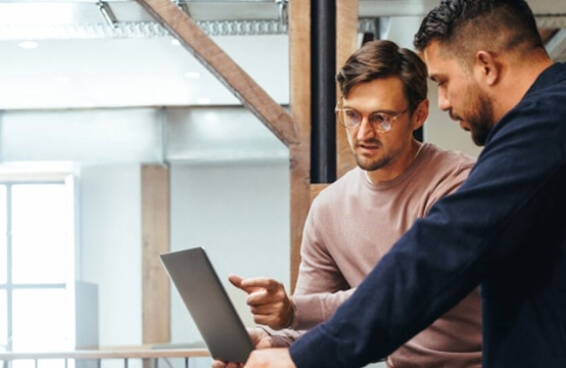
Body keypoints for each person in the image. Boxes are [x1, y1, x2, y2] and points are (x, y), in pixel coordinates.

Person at [243, 0, 566, 367]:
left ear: (486, 66)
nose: (443, 102)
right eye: (351, 115)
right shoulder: (548, 119)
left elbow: (434, 258)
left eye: (443, 82)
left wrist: (303, 356)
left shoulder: (545, 124)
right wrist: (276, 344)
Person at [214, 40, 481, 368]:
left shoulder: (458, 185)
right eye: (352, 115)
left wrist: (295, 311)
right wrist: (273, 342)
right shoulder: (329, 208)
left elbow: (403, 296)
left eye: (381, 118)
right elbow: (318, 328)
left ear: (419, 115)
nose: (363, 132)